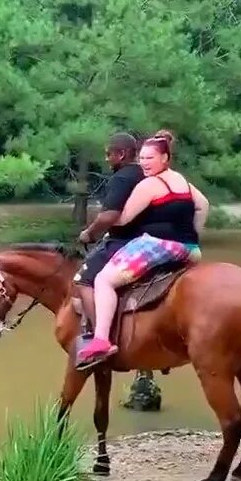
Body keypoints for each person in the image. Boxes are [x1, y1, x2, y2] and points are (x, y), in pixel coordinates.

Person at [76, 130, 209, 370]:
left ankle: (101, 340)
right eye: (143, 159)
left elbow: (121, 219)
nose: (144, 164)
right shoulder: (182, 181)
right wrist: (193, 234)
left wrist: (97, 227)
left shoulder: (150, 184)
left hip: (158, 245)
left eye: (150, 159)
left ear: (165, 158)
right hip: (190, 250)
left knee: (104, 280)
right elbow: (203, 206)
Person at [73, 132, 145, 347]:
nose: (106, 159)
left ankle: (99, 336)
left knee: (83, 280)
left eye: (109, 154)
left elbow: (109, 216)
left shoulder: (122, 178)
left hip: (123, 242)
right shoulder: (145, 174)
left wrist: (89, 233)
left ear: (121, 154)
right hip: (147, 239)